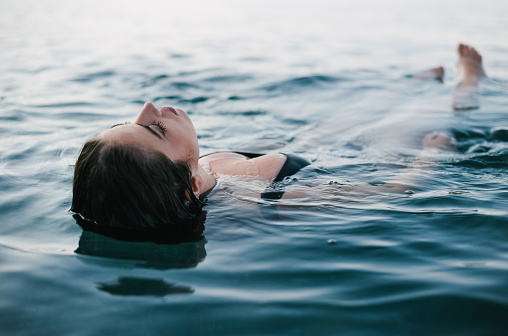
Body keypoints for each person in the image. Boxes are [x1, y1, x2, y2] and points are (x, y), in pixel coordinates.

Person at [71, 44, 487, 242]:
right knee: (428, 119)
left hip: (306, 143)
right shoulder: (270, 201)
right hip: (364, 160)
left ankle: (421, 80)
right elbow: (389, 193)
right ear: (190, 189)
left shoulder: (182, 174)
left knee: (372, 100)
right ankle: (468, 82)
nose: (147, 106)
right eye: (154, 129)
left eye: (129, 120)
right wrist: (431, 157)